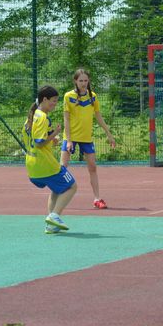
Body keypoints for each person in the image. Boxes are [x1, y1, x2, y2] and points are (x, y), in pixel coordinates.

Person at [22, 85, 77, 234]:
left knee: (56, 189)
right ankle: (54, 216)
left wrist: (51, 139)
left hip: (32, 166)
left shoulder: (31, 117)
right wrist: (55, 133)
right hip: (46, 164)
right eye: (53, 101)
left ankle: (51, 225)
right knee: (72, 186)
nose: (55, 104)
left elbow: (33, 139)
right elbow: (39, 142)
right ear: (44, 99)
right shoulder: (43, 117)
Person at [61, 69, 116, 209]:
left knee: (93, 167)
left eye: (86, 80)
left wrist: (109, 134)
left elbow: (98, 116)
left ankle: (97, 198)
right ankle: (58, 196)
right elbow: (66, 119)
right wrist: (69, 140)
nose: (83, 83)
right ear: (75, 81)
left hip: (86, 138)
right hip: (71, 137)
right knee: (63, 167)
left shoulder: (93, 97)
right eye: (81, 81)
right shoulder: (68, 96)